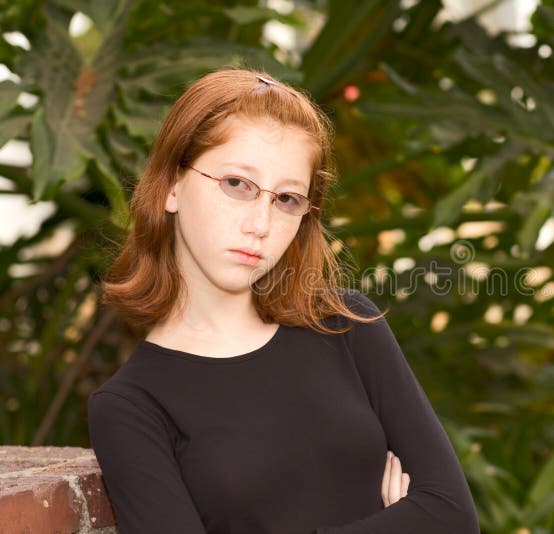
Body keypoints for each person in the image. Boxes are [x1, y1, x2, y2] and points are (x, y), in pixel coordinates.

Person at [87, 68, 480, 534]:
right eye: (237, 184)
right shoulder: (131, 407)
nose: (260, 223)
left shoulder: (345, 325)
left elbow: (452, 516)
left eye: (287, 199)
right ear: (172, 184)